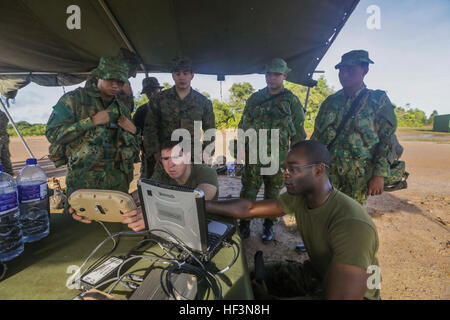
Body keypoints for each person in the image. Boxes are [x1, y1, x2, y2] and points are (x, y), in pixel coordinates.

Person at [205, 140, 381, 300]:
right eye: (285, 169)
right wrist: (202, 204)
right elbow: (249, 208)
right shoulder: (302, 196)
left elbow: (340, 298)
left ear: (318, 170)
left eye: (294, 169)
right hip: (318, 275)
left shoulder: (351, 225)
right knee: (246, 281)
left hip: (355, 295)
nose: (285, 175)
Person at [46, 56, 141, 200]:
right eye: (111, 80)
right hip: (84, 181)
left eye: (120, 81)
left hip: (117, 182)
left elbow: (135, 144)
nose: (115, 85)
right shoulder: (74, 99)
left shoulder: (122, 108)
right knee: (79, 220)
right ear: (99, 77)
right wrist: (92, 121)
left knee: (115, 221)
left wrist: (134, 130)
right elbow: (52, 134)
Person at [71, 140, 219, 231]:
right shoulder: (163, 174)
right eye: (166, 159)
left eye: (176, 157)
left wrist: (155, 215)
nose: (171, 164)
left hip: (206, 226)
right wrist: (96, 206)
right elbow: (140, 194)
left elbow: (198, 202)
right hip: (172, 229)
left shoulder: (205, 172)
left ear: (187, 157)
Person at [311, 50, 397, 205]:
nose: (344, 74)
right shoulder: (330, 102)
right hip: (328, 172)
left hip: (359, 177)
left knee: (349, 219)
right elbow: (317, 136)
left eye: (350, 69)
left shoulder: (378, 100)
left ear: (365, 70)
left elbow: (386, 140)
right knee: (322, 213)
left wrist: (379, 175)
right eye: (341, 70)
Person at [237, 58, 306, 243]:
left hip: (279, 156)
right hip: (254, 154)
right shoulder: (255, 98)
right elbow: (243, 125)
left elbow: (299, 132)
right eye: (269, 73)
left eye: (276, 74)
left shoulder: (291, 100)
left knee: (273, 192)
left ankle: (269, 225)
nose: (272, 77)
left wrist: (295, 159)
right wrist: (241, 149)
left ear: (284, 75)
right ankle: (244, 224)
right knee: (249, 190)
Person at [143, 56, 215, 166]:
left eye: (185, 73)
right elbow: (150, 128)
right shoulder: (159, 100)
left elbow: (210, 130)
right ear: (173, 75)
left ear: (192, 75)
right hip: (166, 157)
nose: (182, 77)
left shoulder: (203, 102)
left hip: (193, 158)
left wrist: (207, 152)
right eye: (177, 73)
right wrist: (155, 152)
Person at [85, 48, 139, 113]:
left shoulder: (126, 83)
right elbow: (87, 101)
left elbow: (129, 110)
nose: (132, 75)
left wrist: (127, 94)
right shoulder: (99, 76)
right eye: (130, 71)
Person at [133, 77, 163, 179]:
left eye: (154, 91)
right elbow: (135, 132)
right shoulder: (141, 111)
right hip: (149, 157)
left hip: (170, 155)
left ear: (160, 90)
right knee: (147, 184)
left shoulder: (171, 109)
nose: (152, 94)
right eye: (148, 92)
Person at [0, 110, 13, 176]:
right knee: (6, 158)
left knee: (5, 157)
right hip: (4, 138)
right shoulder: (3, 114)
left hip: (2, 138)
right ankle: (9, 175)